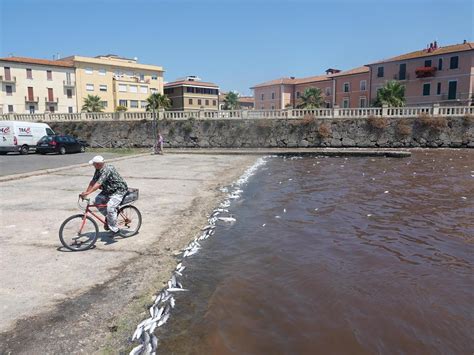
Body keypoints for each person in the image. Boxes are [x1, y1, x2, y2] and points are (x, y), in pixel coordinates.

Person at [80, 155, 128, 235]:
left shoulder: (107, 169)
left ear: (98, 164)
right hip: (108, 190)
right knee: (97, 201)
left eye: (94, 164)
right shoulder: (98, 169)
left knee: (110, 207)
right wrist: (86, 192)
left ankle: (114, 229)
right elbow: (93, 181)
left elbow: (98, 184)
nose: (93, 165)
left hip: (118, 190)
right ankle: (110, 217)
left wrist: (89, 193)